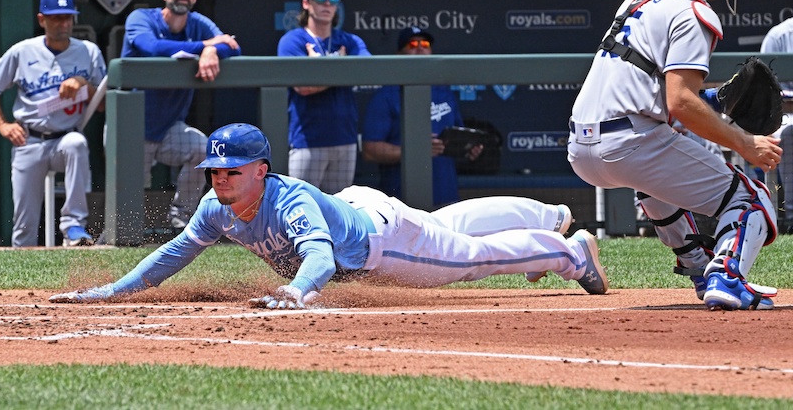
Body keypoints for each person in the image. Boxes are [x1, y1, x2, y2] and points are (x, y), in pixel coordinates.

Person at [49, 123, 606, 308]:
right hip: (362, 208)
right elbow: (173, 254)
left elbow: (317, 255)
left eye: (232, 172)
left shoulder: (286, 198)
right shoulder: (215, 207)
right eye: (215, 173)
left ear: (261, 170)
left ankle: (568, 250)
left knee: (468, 259)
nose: (220, 181)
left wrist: (297, 293)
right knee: (447, 227)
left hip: (380, 243)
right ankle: (549, 216)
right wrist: (111, 291)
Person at [567, 0, 781, 311]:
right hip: (631, 141)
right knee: (751, 199)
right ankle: (727, 278)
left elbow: (668, 99)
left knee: (658, 178)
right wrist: (745, 143)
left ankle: (700, 267)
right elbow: (680, 103)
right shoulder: (693, 12)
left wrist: (717, 98)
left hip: (583, 147)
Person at [121, 0, 241, 230]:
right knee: (128, 196)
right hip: (131, 126)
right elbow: (150, 47)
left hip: (169, 129)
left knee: (202, 148)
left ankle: (181, 216)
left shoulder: (198, 24)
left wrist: (211, 52)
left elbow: (232, 45)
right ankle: (121, 234)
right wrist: (205, 46)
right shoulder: (141, 18)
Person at [0, 0, 106, 247]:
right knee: (23, 228)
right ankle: (23, 286)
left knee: (77, 143)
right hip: (29, 139)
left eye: (68, 17)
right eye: (56, 18)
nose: (63, 24)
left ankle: (73, 225)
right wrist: (2, 124)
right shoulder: (22, 51)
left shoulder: (88, 51)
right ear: (42, 19)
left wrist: (82, 84)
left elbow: (102, 105)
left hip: (64, 138)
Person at [362, 27, 481, 207]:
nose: (419, 48)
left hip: (446, 197)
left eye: (425, 44)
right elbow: (370, 150)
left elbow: (456, 137)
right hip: (402, 202)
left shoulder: (444, 93)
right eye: (412, 44)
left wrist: (468, 148)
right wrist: (415, 152)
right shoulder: (386, 96)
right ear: (399, 54)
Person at [277, 0, 371, 194]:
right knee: (301, 207)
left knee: (338, 211)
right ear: (307, 3)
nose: (327, 4)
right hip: (308, 140)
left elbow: (366, 71)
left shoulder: (349, 40)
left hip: (344, 139)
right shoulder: (293, 40)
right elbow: (303, 87)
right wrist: (340, 64)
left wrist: (319, 68)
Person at [760, 16, 793, 233]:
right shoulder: (781, 35)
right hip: (786, 114)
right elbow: (765, 89)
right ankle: (792, 216)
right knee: (791, 134)